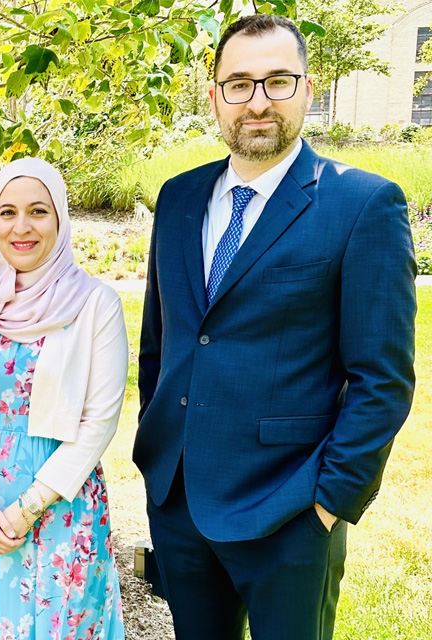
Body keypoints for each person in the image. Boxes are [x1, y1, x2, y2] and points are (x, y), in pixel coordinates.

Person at [135, 15, 416, 640]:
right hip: (179, 502)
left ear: (308, 90)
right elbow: (163, 343)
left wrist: (328, 501)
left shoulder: (362, 204)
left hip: (289, 510)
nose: (257, 101)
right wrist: (157, 452)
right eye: (238, 83)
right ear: (214, 97)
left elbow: (382, 378)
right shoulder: (178, 199)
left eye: (277, 81)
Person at [0, 157, 129, 639]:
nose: (20, 227)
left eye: (38, 211)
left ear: (61, 219)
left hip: (61, 502)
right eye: (6, 212)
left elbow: (99, 424)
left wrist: (27, 507)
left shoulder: (96, 305)